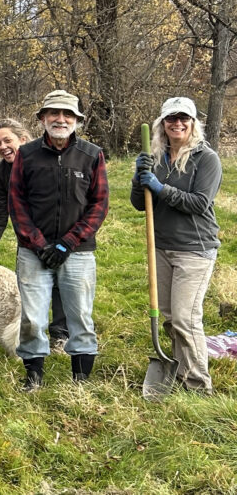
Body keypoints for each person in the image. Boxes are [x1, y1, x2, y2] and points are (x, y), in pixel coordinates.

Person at [9, 90, 108, 390]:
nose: (60, 119)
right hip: (32, 252)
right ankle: (33, 377)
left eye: (67, 115)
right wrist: (39, 244)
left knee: (80, 316)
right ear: (42, 118)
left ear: (77, 120)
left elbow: (99, 205)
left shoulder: (92, 155)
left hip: (77, 251)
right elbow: (17, 203)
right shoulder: (26, 155)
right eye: (53, 113)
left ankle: (80, 382)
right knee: (33, 319)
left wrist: (69, 242)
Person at [131, 97, 220, 395]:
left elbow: (199, 203)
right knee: (170, 318)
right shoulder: (155, 157)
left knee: (185, 318)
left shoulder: (206, 159)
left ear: (193, 123)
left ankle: (198, 386)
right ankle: (180, 372)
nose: (177, 123)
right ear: (162, 123)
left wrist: (160, 187)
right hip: (161, 245)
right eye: (171, 118)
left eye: (184, 118)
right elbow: (139, 204)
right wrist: (138, 179)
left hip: (195, 248)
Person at [0, 119, 69, 351]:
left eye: (7, 140)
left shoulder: (47, 160)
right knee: (28, 288)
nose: (2, 146)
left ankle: (61, 335)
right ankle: (31, 338)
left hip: (60, 233)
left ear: (24, 139)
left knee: (60, 284)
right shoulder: (1, 171)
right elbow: (0, 213)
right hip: (28, 238)